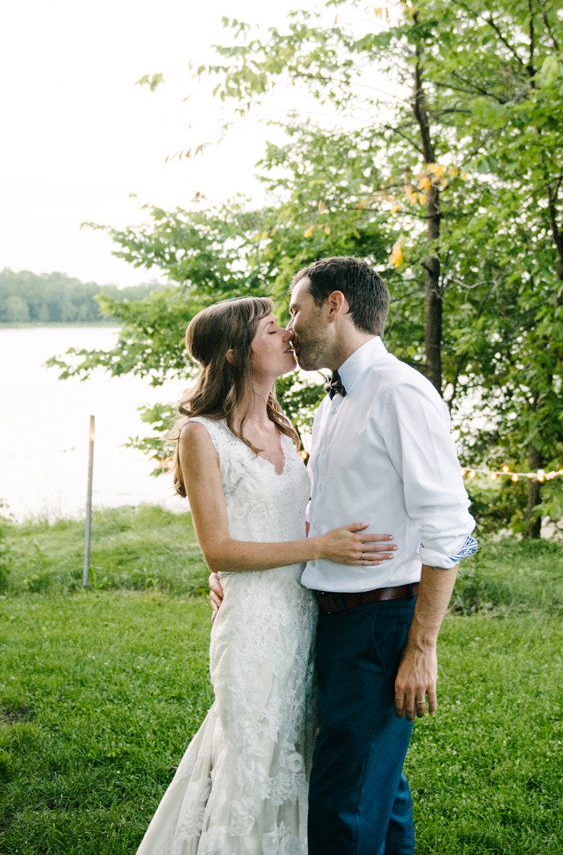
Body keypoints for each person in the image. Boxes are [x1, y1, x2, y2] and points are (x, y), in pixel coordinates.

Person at [212, 257, 478, 855]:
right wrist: (236, 567)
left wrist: (421, 646)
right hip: (329, 620)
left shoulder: (401, 393)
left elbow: (452, 528)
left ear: (336, 306)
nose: (291, 329)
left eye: (297, 311)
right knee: (379, 799)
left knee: (342, 811)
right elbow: (321, 515)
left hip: (378, 627)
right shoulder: (333, 401)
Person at [136, 296, 398, 855]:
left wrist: (319, 540)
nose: (288, 336)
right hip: (254, 620)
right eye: (272, 329)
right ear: (234, 353)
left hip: (305, 612)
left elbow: (285, 514)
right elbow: (220, 551)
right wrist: (320, 546)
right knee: (252, 753)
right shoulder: (200, 435)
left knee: (299, 749)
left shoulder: (283, 423)